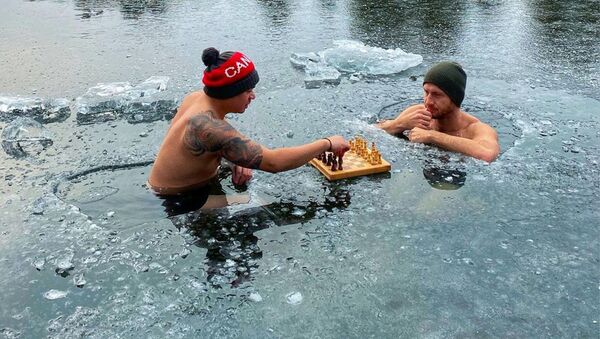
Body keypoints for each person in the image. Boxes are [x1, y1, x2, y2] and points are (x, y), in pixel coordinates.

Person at [148, 47, 349, 210]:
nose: (253, 96)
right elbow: (274, 163)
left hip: (171, 184)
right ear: (230, 92)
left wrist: (235, 158)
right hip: (178, 199)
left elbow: (210, 146)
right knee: (263, 204)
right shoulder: (210, 127)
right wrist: (327, 143)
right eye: (248, 90)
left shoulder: (196, 98)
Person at [377, 61, 500, 162]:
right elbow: (373, 131)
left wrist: (432, 136)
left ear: (454, 97)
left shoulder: (476, 129)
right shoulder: (417, 113)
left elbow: (487, 155)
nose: (428, 101)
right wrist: (400, 124)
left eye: (436, 94)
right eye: (426, 92)